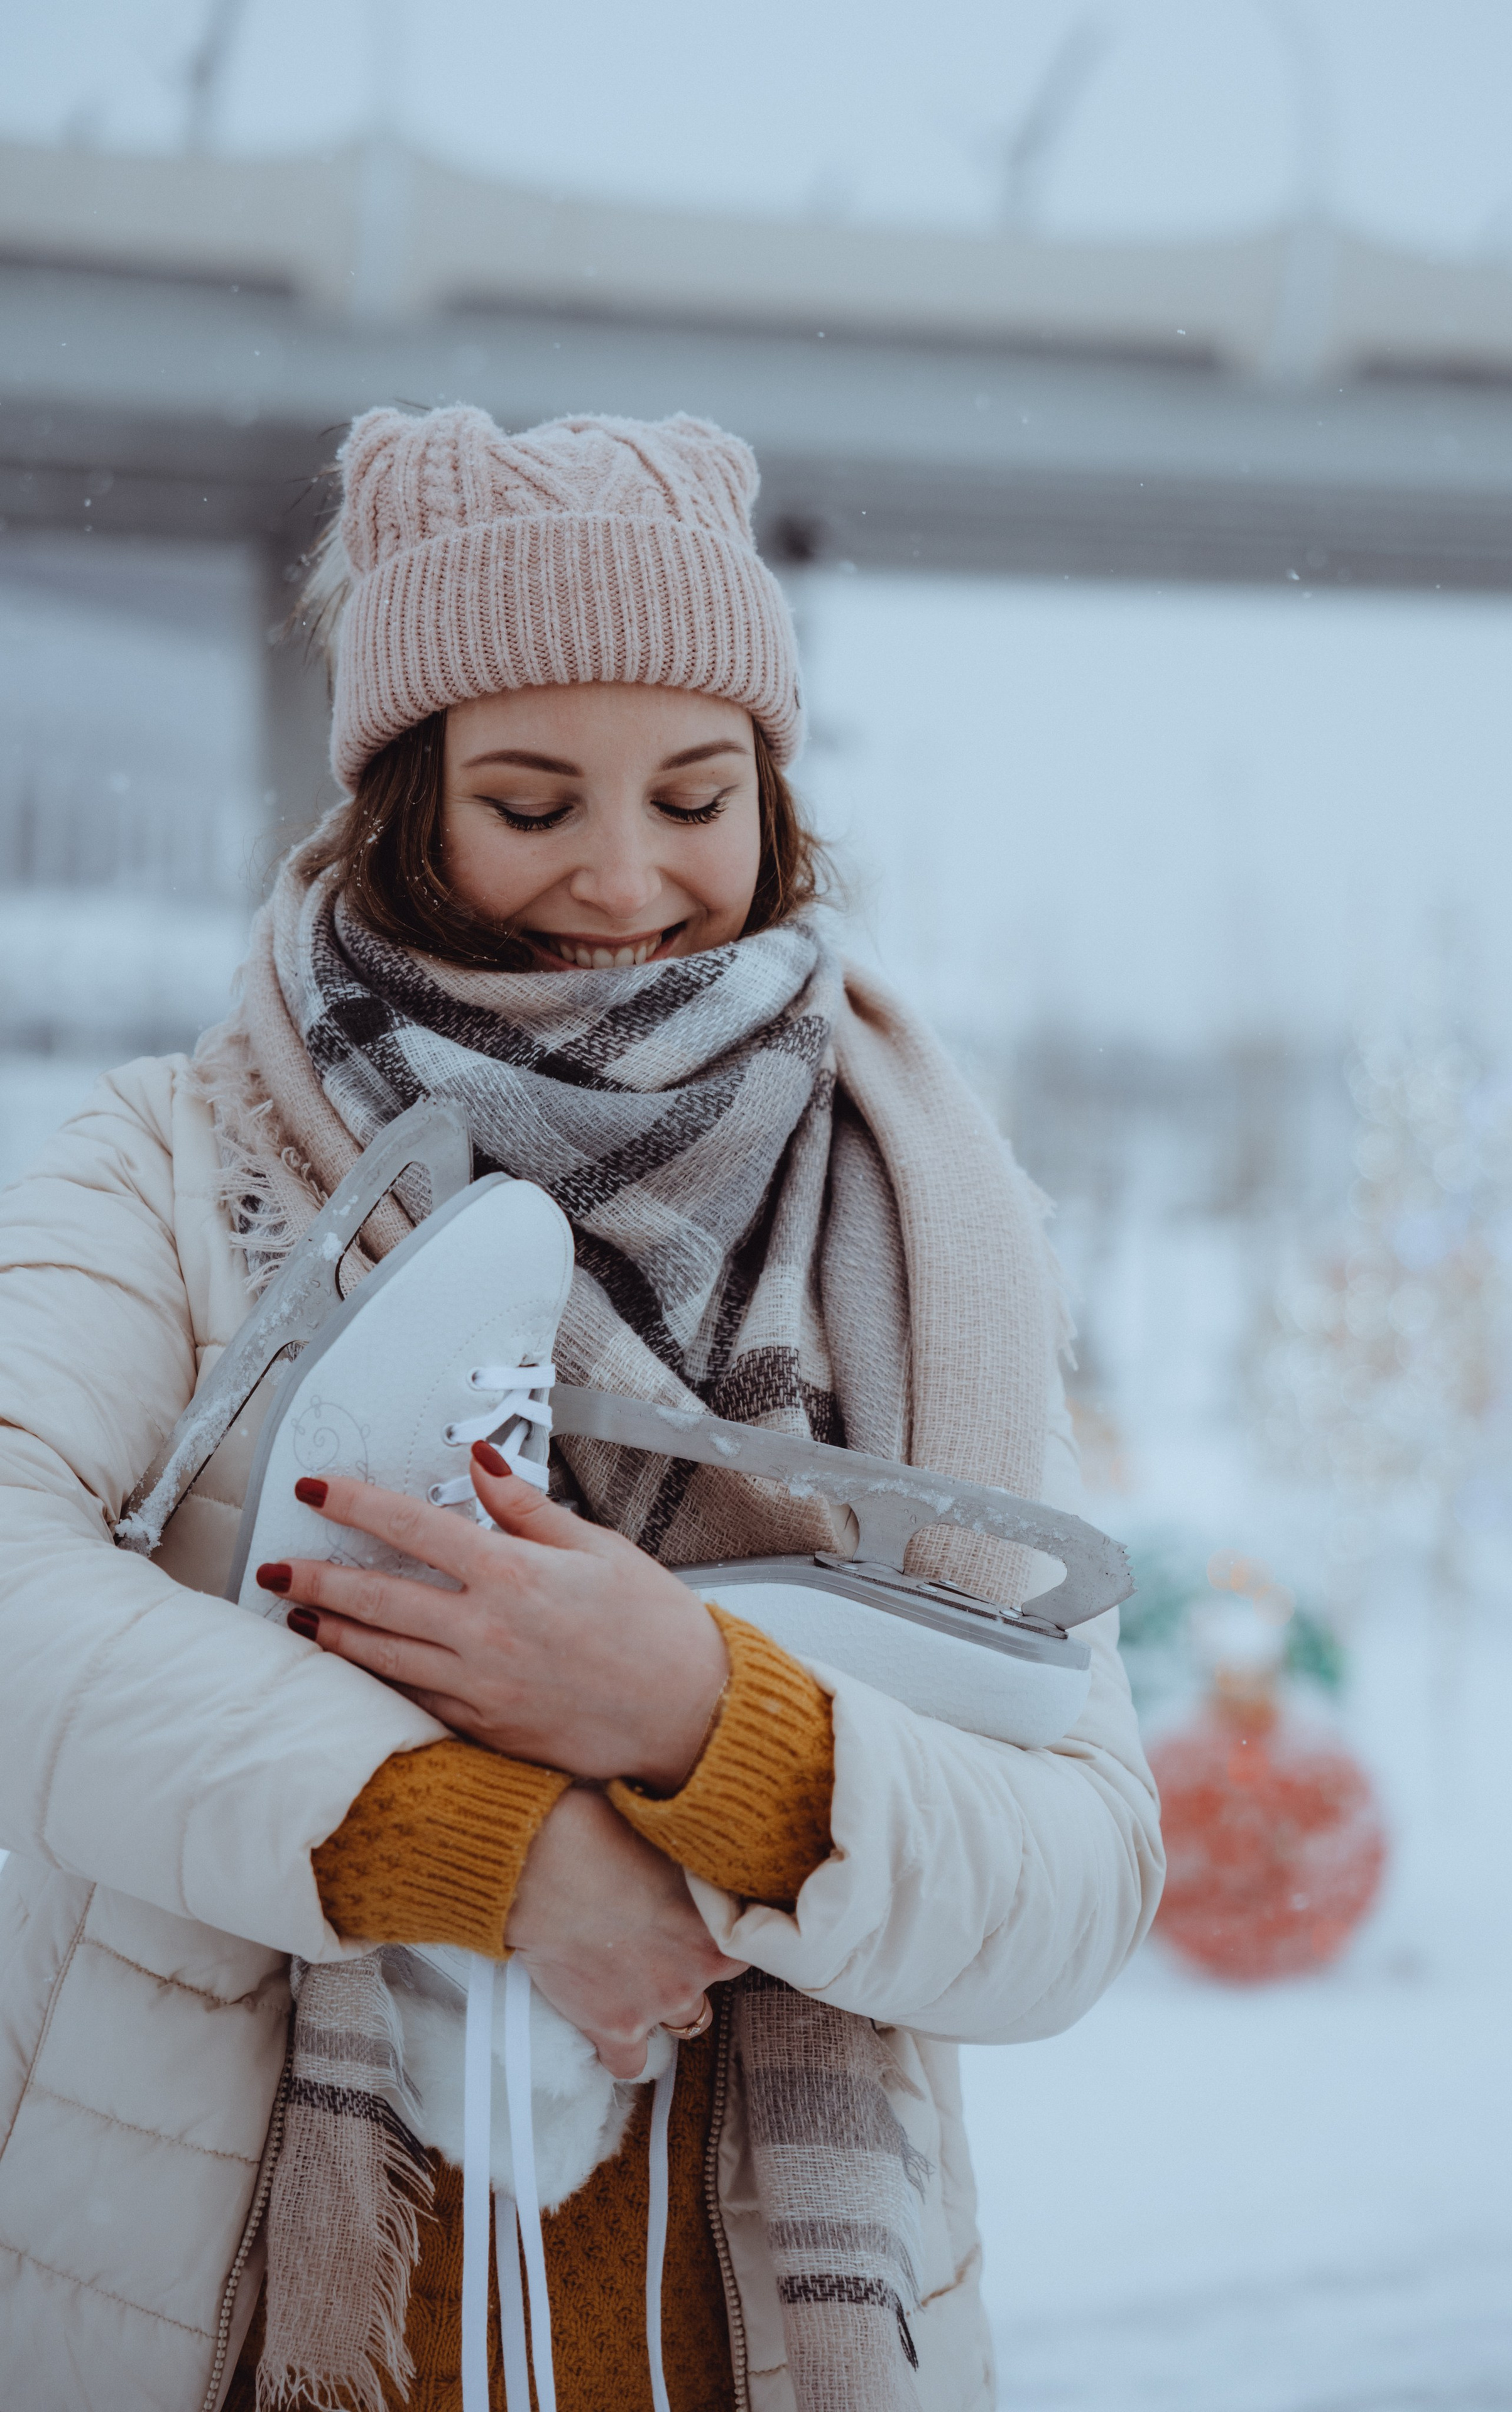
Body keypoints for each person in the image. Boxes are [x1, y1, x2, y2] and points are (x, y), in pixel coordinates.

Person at [0, 405, 1163, 2412]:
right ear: (404, 807)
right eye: (531, 806)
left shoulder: (928, 1229)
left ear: (772, 800)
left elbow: (1079, 1873)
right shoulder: (183, 1169)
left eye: (696, 797)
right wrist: (475, 1841)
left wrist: (706, 1718)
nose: (626, 880)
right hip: (247, 2326)